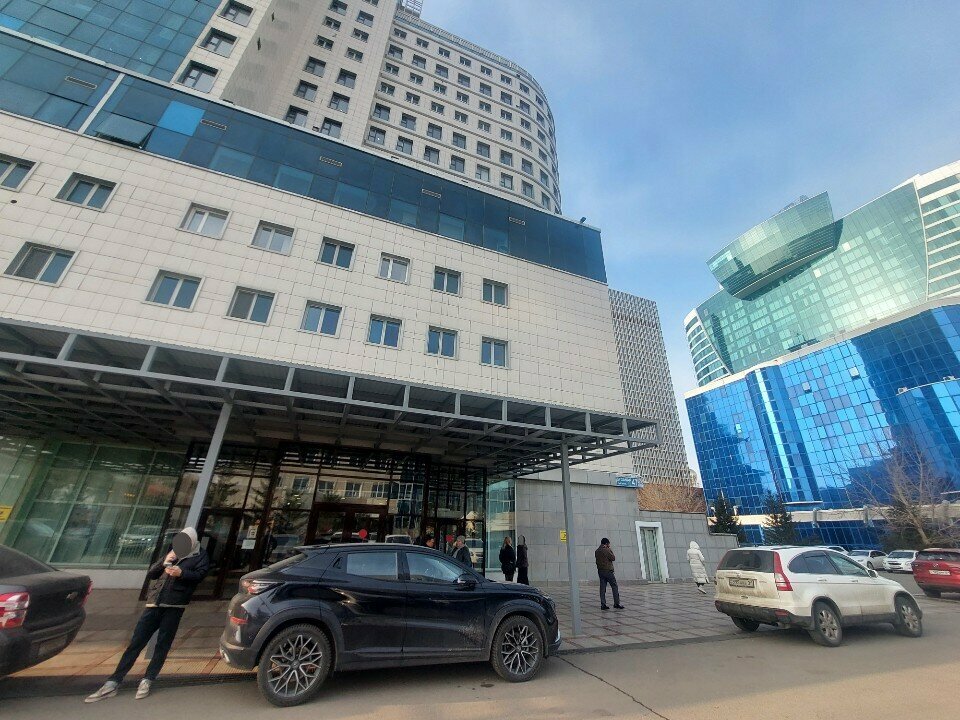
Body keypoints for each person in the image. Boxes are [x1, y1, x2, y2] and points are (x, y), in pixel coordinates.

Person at [85, 527, 210, 703]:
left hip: (175, 605)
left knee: (163, 644)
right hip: (154, 603)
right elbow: (152, 573)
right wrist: (164, 562)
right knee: (136, 642)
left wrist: (182, 573)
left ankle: (148, 679)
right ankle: (114, 681)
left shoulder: (200, 555)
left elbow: (200, 575)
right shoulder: (173, 552)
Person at [595, 537, 624, 610]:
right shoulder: (606, 550)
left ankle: (603, 604)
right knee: (614, 586)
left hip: (600, 571)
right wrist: (609, 549)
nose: (609, 545)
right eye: (609, 544)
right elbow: (613, 558)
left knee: (602, 588)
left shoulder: (597, 551)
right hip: (608, 571)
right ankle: (616, 603)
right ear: (606, 543)